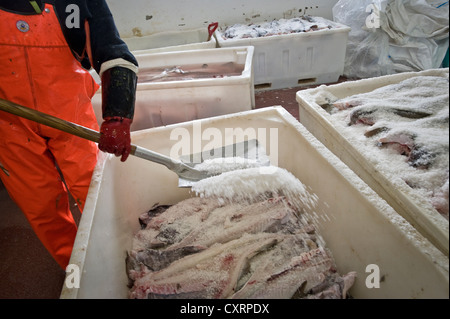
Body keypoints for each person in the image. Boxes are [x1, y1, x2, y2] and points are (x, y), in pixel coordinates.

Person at [0, 0, 138, 269]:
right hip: (9, 127)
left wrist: (117, 116)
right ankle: (79, 274)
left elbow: (114, 52)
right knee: (43, 209)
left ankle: (123, 260)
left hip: (71, 115)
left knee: (96, 192)